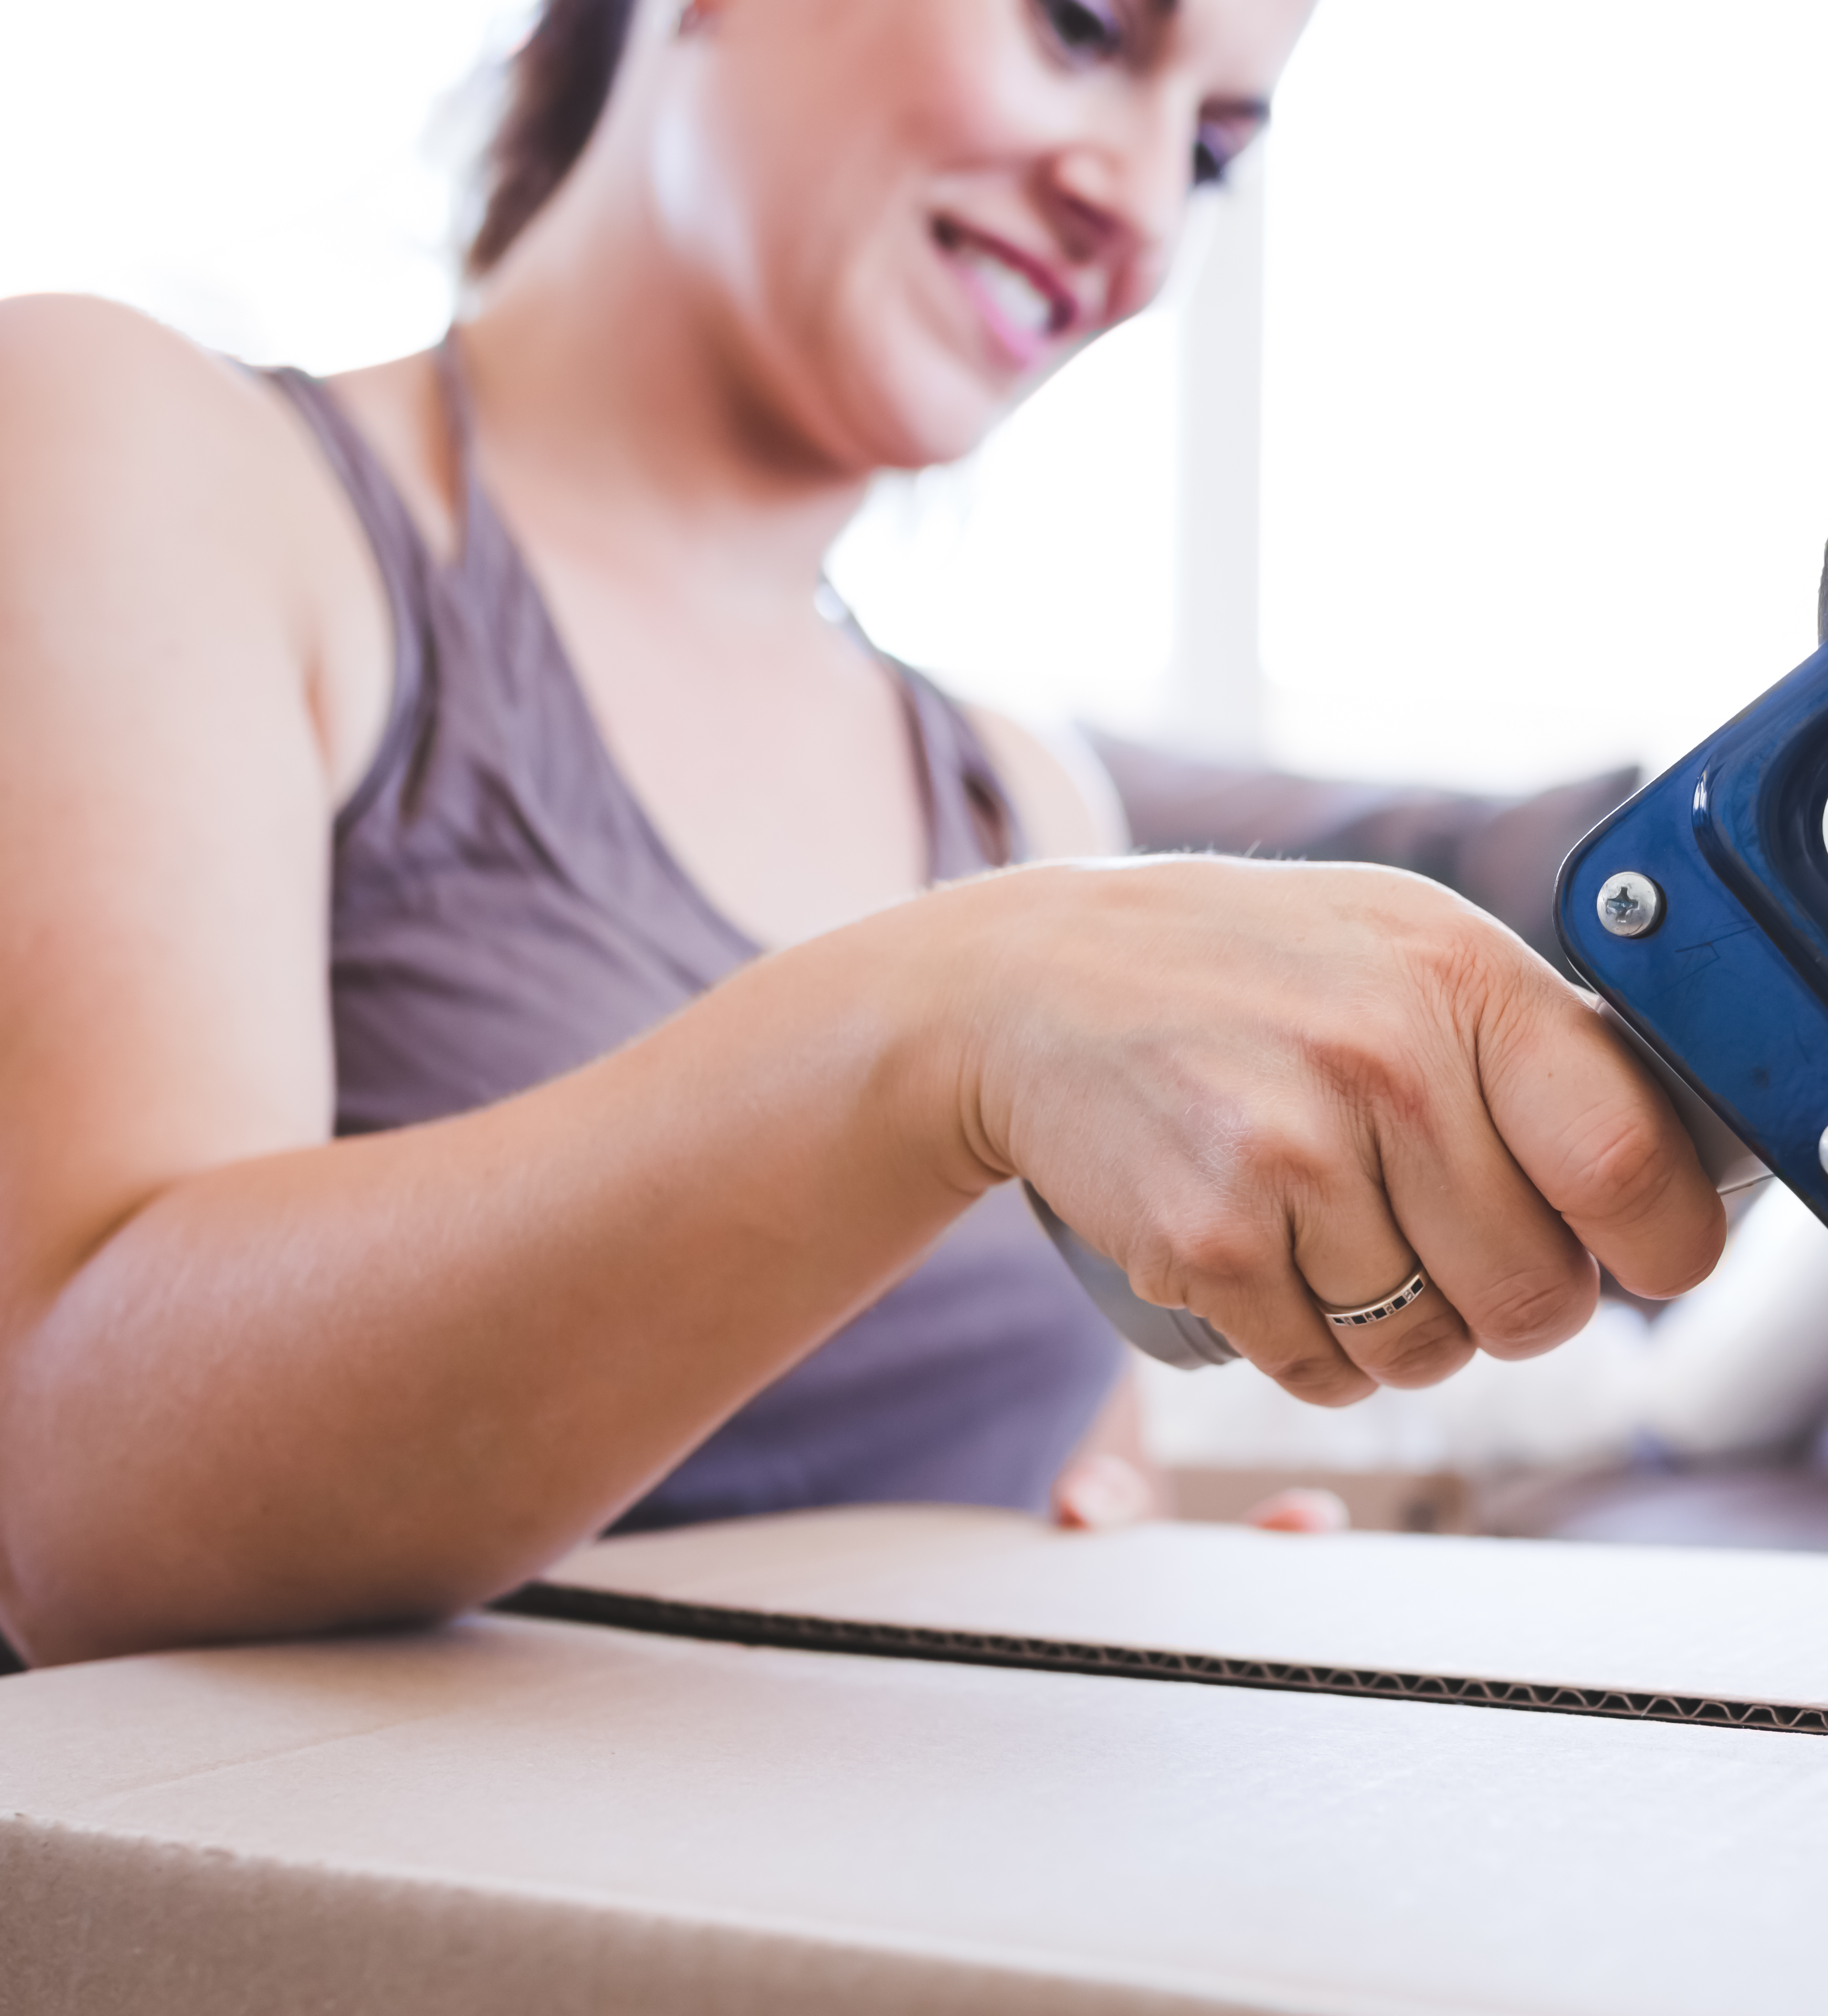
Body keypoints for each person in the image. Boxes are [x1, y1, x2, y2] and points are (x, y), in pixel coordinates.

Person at [0, 0, 1725, 1671]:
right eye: (1080, 29)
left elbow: (1054, 1484)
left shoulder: (1018, 802)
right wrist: (949, 1015)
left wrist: (1127, 1591)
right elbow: (77, 1509)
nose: (1136, 202)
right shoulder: (150, 454)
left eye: (1208, 151)